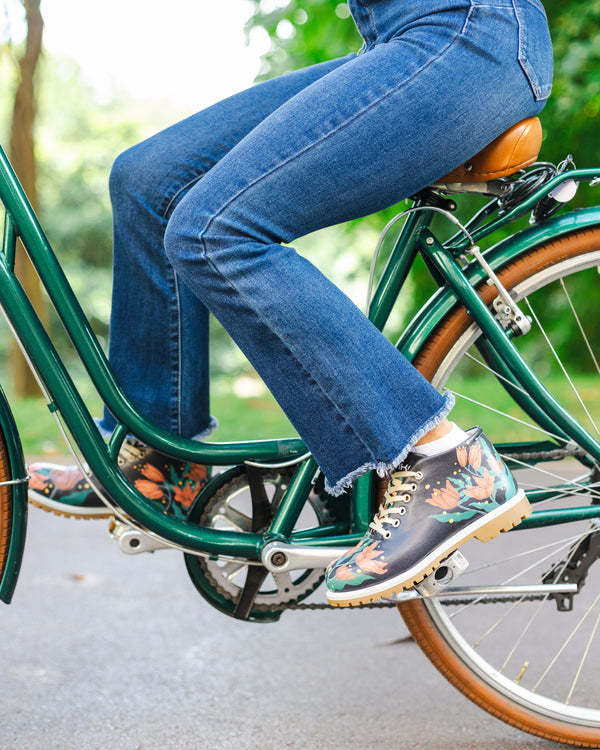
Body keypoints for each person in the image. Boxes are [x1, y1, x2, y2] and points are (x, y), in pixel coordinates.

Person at [28, 0, 553, 606]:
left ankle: (438, 456)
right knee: (147, 180)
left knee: (212, 230)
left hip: (471, 37)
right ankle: (159, 464)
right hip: (403, 40)